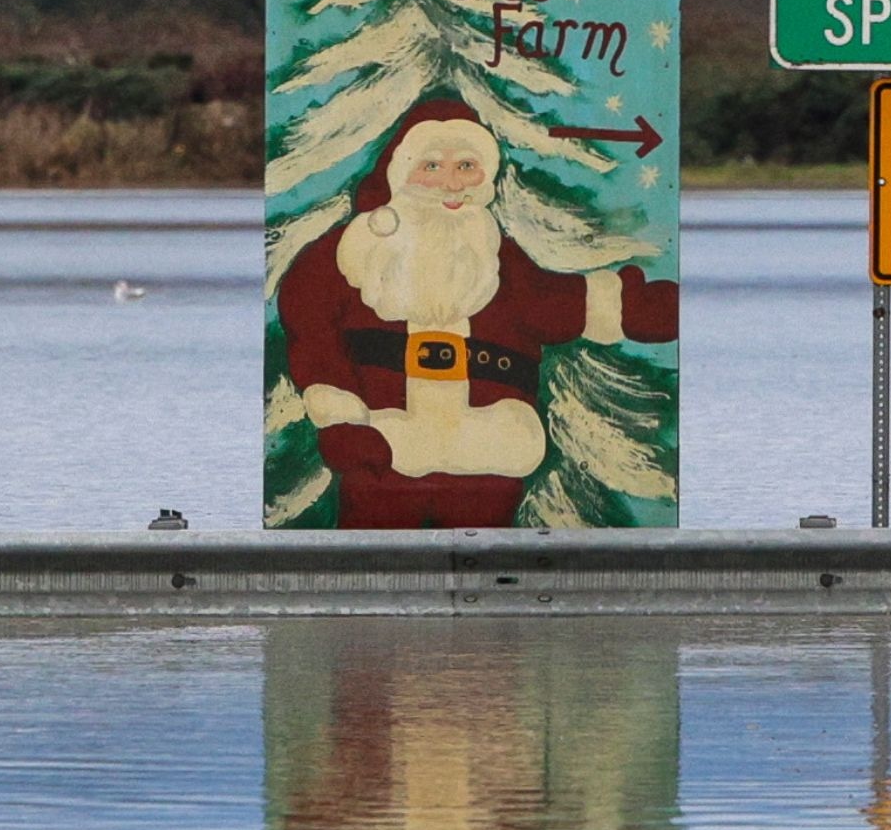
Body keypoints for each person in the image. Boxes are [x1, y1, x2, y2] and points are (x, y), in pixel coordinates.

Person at [275, 99, 678, 527]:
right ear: (401, 172)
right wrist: (340, 414)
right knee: (378, 553)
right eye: (432, 167)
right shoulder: (357, 251)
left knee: (490, 557)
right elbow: (310, 320)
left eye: (466, 167)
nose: (451, 184)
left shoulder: (491, 254)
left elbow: (548, 303)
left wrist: (630, 308)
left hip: (487, 448)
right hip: (385, 445)